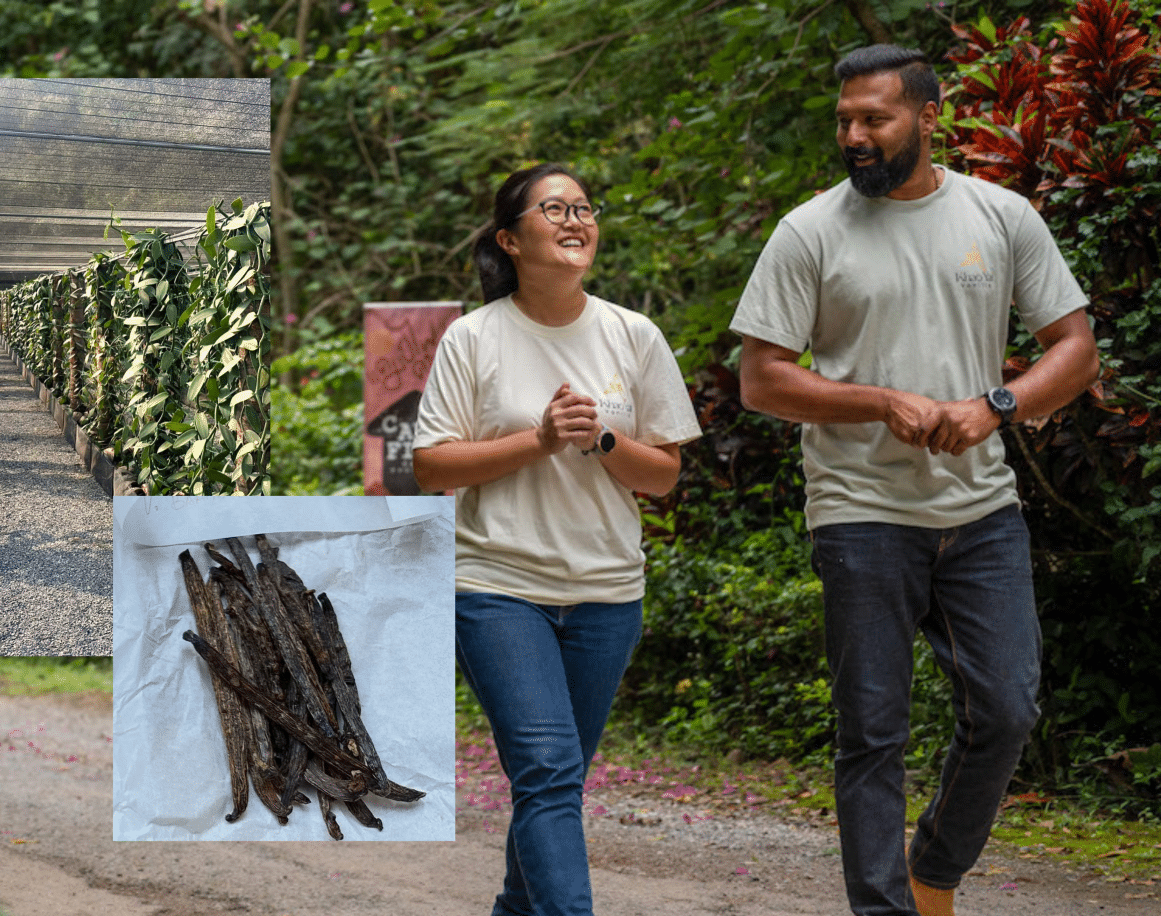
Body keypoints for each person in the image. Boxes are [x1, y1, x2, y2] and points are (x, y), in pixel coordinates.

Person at [730, 45, 1099, 916]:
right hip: (859, 512)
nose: (855, 137)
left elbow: (1075, 349)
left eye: (875, 119)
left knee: (1008, 708)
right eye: (845, 121)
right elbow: (762, 379)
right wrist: (876, 400)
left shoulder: (1000, 216)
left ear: (929, 117)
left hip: (980, 507)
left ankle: (933, 869)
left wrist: (994, 407)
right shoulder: (808, 231)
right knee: (872, 732)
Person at [413, 163, 701, 916]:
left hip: (608, 594)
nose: (576, 221)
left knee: (556, 781)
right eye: (554, 210)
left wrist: (603, 439)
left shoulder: (632, 334)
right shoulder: (473, 338)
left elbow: (665, 475)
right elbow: (432, 465)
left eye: (583, 209)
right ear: (510, 239)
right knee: (545, 770)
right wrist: (537, 440)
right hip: (498, 589)